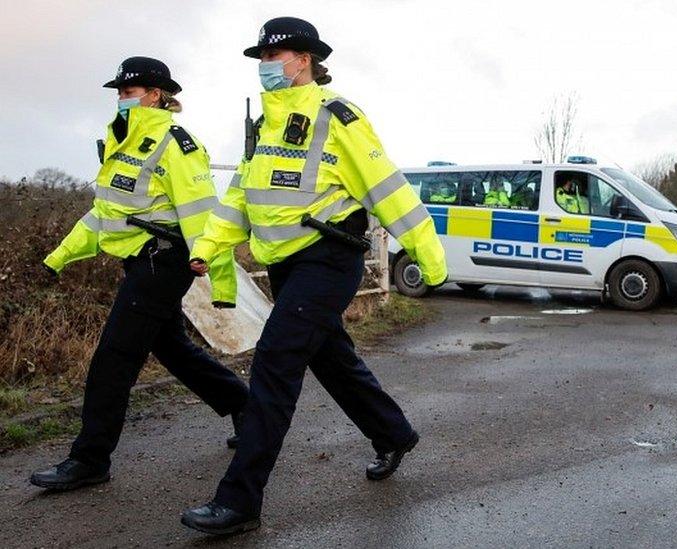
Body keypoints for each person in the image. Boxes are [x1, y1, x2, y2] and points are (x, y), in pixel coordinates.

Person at [180, 17, 447, 535]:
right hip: (285, 264)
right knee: (332, 358)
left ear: (303, 59)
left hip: (329, 260)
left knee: (276, 363)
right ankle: (393, 433)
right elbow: (241, 197)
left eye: (272, 57)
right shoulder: (265, 125)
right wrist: (208, 245)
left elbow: (387, 188)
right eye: (260, 59)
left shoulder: (338, 117)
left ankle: (239, 502)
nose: (264, 67)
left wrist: (427, 254)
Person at [29, 57, 249, 492]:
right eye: (119, 93)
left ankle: (89, 459)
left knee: (114, 357)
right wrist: (59, 255)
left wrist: (221, 284)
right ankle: (244, 404)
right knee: (171, 348)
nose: (122, 99)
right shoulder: (123, 143)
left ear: (156, 95)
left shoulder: (176, 145)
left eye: (130, 92)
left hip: (164, 261)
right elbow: (106, 214)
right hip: (139, 261)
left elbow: (204, 218)